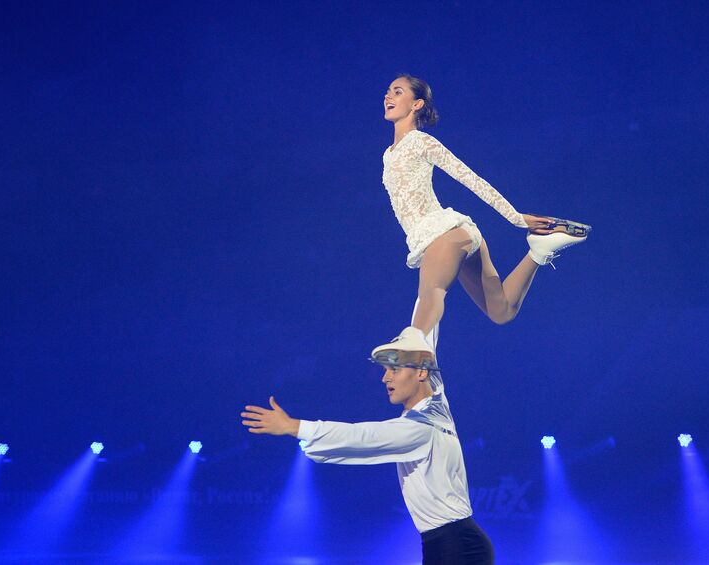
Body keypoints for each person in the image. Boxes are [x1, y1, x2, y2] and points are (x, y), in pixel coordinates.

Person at [241, 308, 495, 564]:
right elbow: (425, 332)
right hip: (455, 544)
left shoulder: (419, 429)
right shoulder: (437, 402)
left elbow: (363, 436)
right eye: (385, 370)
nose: (385, 378)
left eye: (394, 369)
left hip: (454, 549)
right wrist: (429, 277)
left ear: (420, 373)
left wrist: (295, 426)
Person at [371, 74, 591, 357]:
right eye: (388, 91)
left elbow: (471, 179)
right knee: (501, 311)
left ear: (416, 104)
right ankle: (538, 252)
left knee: (432, 289)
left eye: (397, 92)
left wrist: (516, 218)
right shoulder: (388, 155)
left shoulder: (421, 142)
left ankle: (414, 339)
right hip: (448, 238)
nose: (388, 96)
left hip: (443, 233)